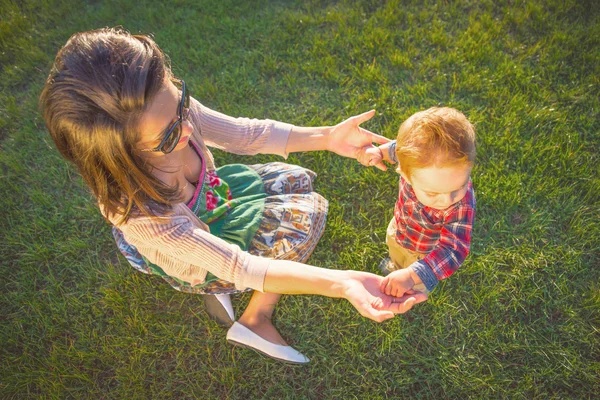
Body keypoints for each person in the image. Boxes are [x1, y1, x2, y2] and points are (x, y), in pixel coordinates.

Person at [39, 28, 427, 365]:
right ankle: (253, 319)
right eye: (169, 137)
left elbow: (246, 134)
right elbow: (242, 266)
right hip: (188, 251)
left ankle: (230, 300)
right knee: (291, 229)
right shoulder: (143, 215)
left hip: (211, 202)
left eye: (181, 102)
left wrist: (327, 137)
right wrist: (344, 282)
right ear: (122, 157)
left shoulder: (169, 114)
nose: (188, 126)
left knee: (293, 185)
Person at [358, 107, 476, 297]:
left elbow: (454, 250)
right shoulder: (414, 160)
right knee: (396, 254)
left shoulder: (462, 205)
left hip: (425, 254)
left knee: (412, 282)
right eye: (432, 193)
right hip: (399, 229)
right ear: (404, 173)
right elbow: (398, 150)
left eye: (457, 188)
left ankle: (411, 290)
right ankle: (395, 266)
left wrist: (412, 275)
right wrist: (380, 152)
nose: (447, 201)